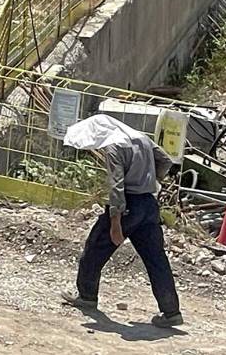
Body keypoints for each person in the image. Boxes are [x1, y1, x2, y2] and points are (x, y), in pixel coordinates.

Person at [60, 114, 183, 328]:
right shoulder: (142, 138)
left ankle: (87, 296)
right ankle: (171, 311)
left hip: (128, 205)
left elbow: (117, 187)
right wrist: (152, 179)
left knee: (95, 248)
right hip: (148, 204)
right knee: (156, 259)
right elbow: (165, 161)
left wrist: (116, 224)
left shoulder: (114, 147)